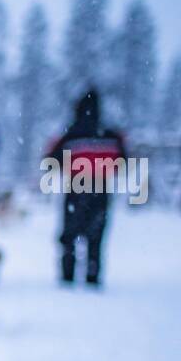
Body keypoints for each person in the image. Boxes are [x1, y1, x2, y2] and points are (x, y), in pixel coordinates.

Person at [46, 88, 126, 287]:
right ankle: (92, 275)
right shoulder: (110, 134)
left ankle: (67, 276)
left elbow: (50, 161)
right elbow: (123, 162)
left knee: (70, 235)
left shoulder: (71, 134)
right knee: (96, 237)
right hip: (101, 189)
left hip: (76, 188)